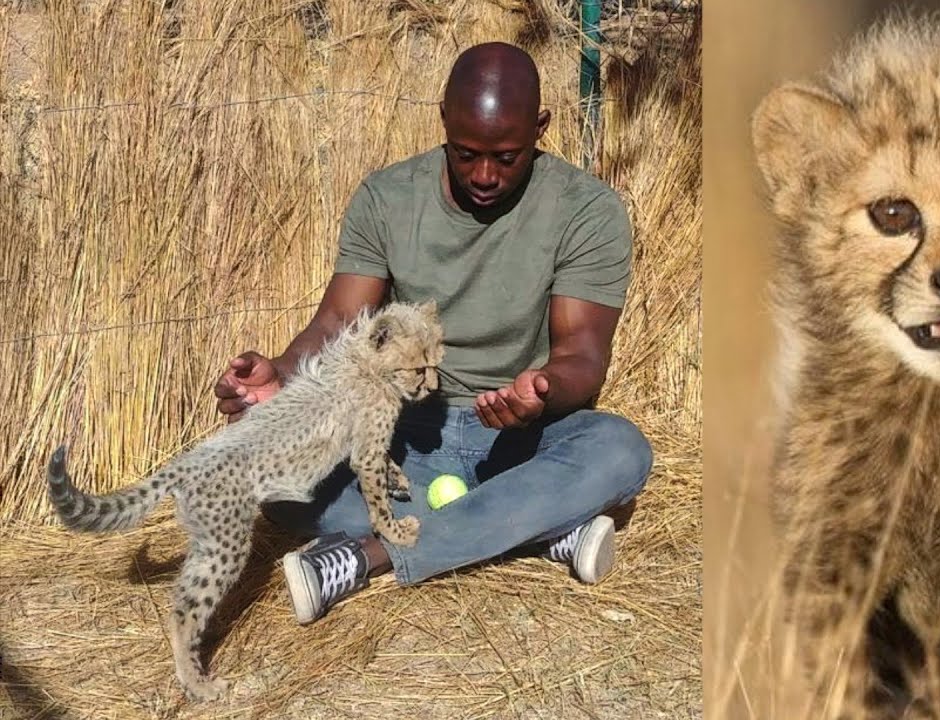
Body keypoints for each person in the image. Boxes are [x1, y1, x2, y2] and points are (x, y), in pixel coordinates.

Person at [212, 42, 652, 625]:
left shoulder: (587, 209)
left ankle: (368, 555)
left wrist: (541, 389)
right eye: (466, 153)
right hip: (405, 435)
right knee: (269, 474)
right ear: (443, 116)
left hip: (523, 442)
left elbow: (583, 353)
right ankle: (537, 529)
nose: (486, 175)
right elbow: (338, 324)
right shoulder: (388, 198)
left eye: (508, 156)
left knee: (620, 451)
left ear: (541, 128)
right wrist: (282, 377)